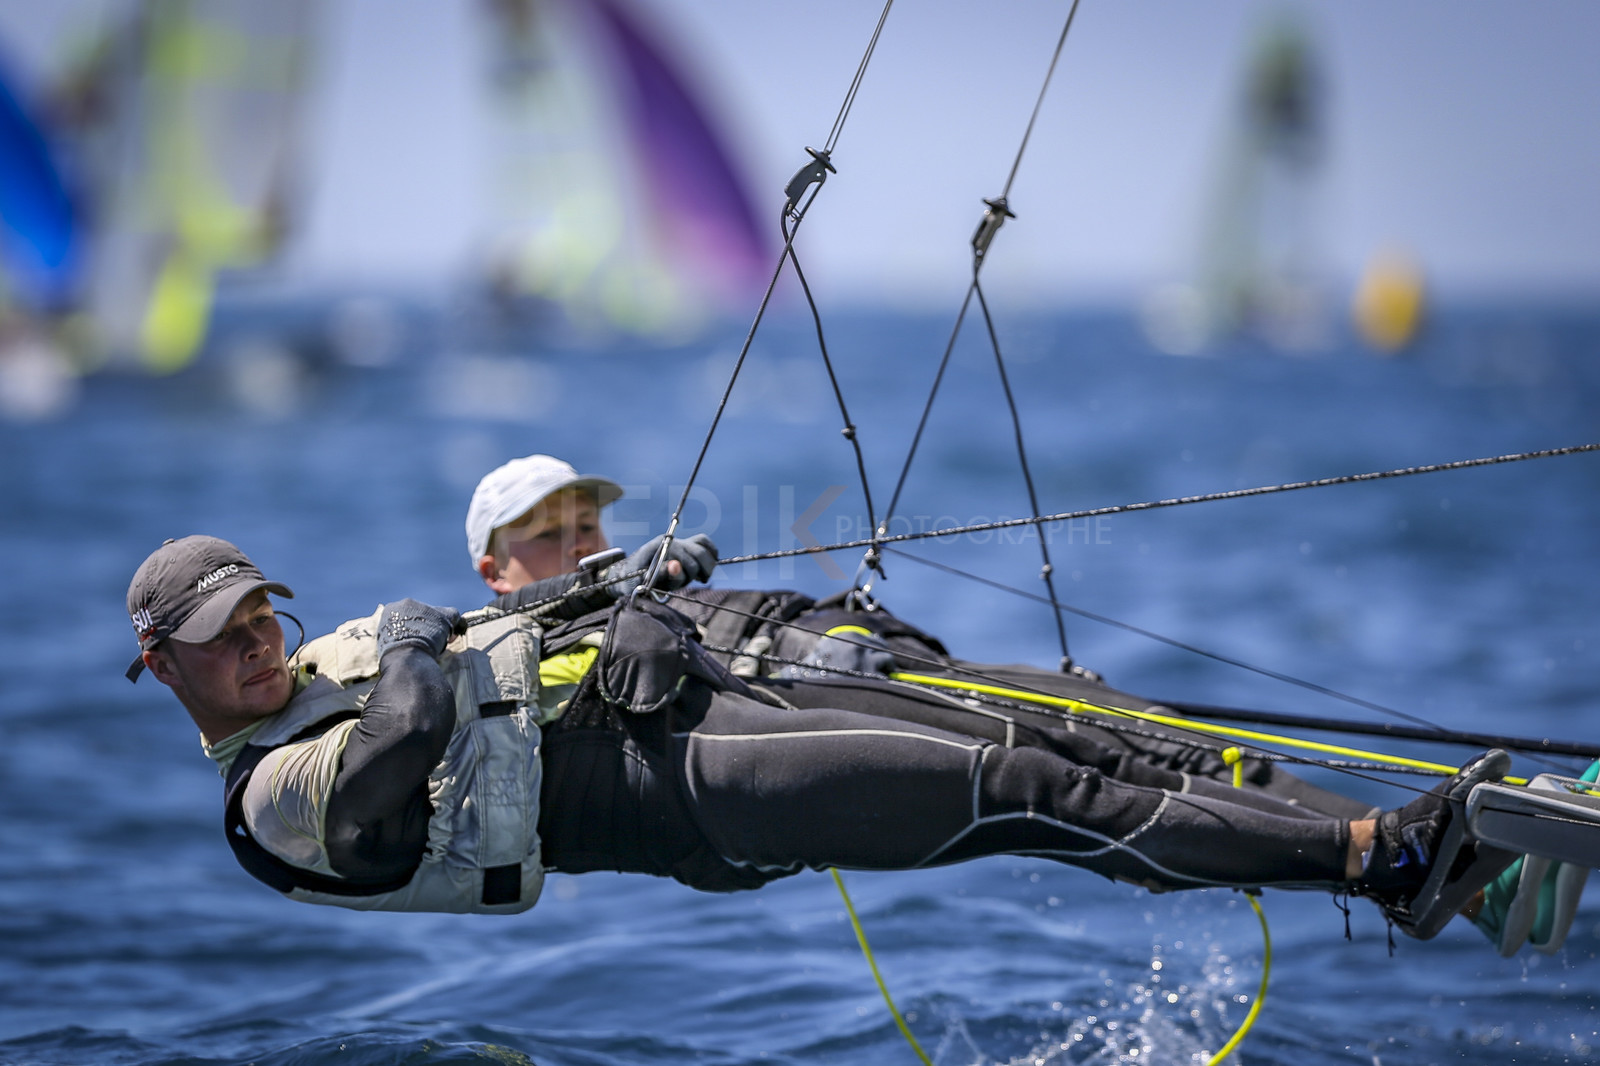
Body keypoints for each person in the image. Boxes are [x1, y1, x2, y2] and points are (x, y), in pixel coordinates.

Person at [127, 533, 1517, 938]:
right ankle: (1380, 862)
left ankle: (1430, 840)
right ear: (161, 665)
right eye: (219, 633)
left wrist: (623, 589)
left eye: (258, 612)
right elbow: (421, 718)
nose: (253, 640)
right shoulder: (268, 801)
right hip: (680, 796)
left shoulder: (318, 664)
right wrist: (429, 636)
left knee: (1055, 722)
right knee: (1015, 783)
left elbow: (505, 639)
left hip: (695, 712)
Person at [460, 453, 1590, 951]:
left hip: (862, 687)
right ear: (493, 566)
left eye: (585, 521)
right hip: (736, 785)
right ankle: (1383, 857)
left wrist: (863, 630)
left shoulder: (660, 581)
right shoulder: (501, 638)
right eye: (545, 532)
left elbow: (803, 617)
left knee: (1148, 732)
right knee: (1050, 786)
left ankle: (1461, 878)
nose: (577, 539)